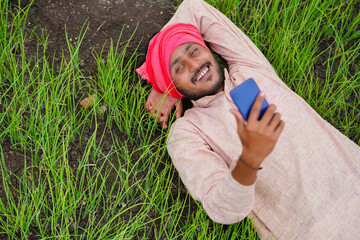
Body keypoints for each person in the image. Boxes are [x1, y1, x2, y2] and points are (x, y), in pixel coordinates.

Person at [136, 0, 360, 239]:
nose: (194, 64)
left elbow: (194, 7)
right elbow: (222, 209)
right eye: (179, 68)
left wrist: (158, 82)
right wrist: (250, 159)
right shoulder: (188, 131)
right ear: (173, 83)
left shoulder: (249, 69)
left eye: (194, 51)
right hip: (319, 231)